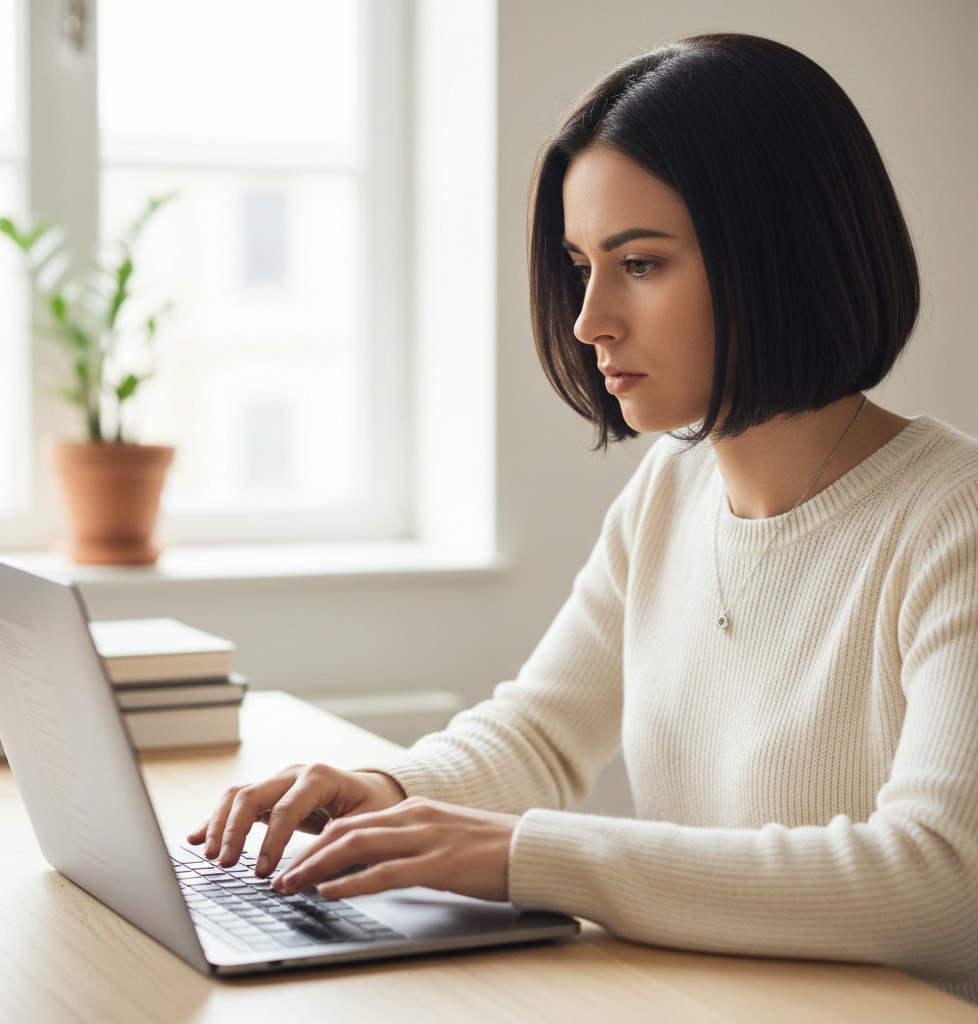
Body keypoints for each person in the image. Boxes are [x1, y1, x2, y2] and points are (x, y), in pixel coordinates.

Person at [189, 33, 978, 1001]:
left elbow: (939, 878)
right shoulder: (668, 489)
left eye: (638, 264)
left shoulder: (953, 521)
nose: (587, 318)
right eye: (579, 265)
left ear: (779, 256)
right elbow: (540, 735)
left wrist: (528, 854)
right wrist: (391, 793)